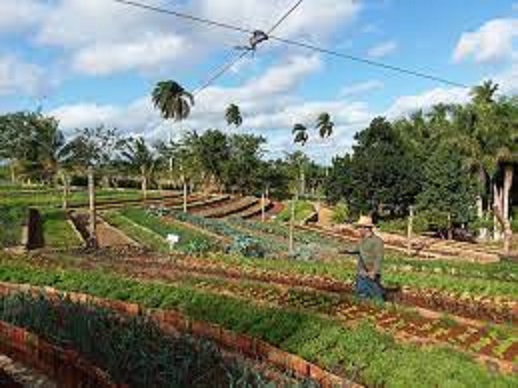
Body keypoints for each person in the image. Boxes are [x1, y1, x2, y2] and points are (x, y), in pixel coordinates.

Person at [342, 215, 385, 300]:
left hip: (372, 271)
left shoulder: (377, 241)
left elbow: (379, 257)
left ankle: (381, 304)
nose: (358, 230)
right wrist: (345, 250)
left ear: (366, 228)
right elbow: (356, 250)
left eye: (360, 228)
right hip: (362, 270)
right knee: (361, 293)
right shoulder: (361, 240)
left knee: (376, 295)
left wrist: (374, 271)